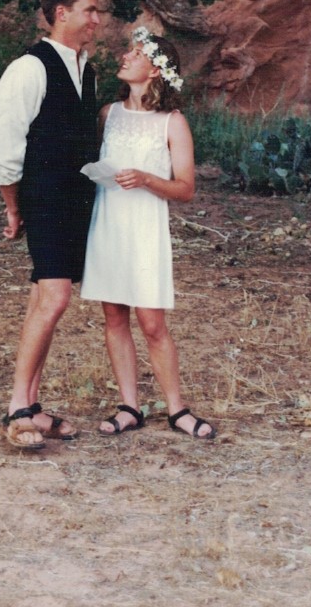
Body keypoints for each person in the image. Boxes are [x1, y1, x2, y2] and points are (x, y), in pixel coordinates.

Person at [81, 26, 216, 440]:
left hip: (144, 229)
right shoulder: (108, 114)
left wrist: (145, 178)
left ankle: (177, 410)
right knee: (114, 317)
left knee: (152, 323)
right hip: (109, 224)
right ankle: (129, 407)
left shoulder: (172, 123)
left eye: (137, 53)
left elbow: (186, 189)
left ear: (156, 70)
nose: (126, 56)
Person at [0, 0, 103, 449]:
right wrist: (14, 208)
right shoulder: (29, 69)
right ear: (61, 13)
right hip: (46, 199)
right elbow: (6, 147)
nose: (97, 20)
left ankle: (32, 406)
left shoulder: (87, 72)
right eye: (89, 10)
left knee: (44, 300)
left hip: (78, 201)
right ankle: (18, 408)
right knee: (55, 299)